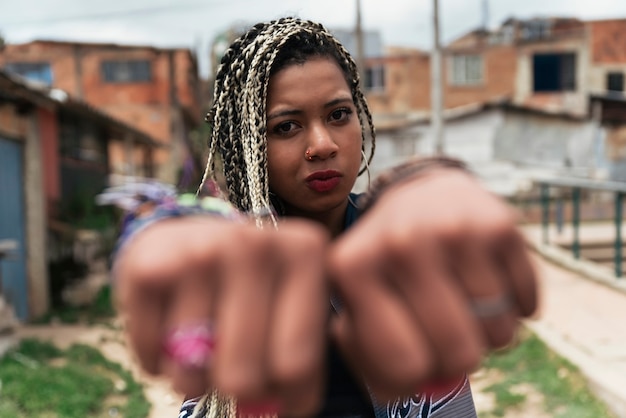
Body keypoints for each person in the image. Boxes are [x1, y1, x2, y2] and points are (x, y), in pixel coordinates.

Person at [111, 17, 538, 418]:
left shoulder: (393, 243)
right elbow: (177, 236)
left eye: (337, 115)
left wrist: (442, 188)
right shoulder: (233, 260)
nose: (322, 145)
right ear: (248, 146)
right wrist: (149, 235)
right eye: (286, 127)